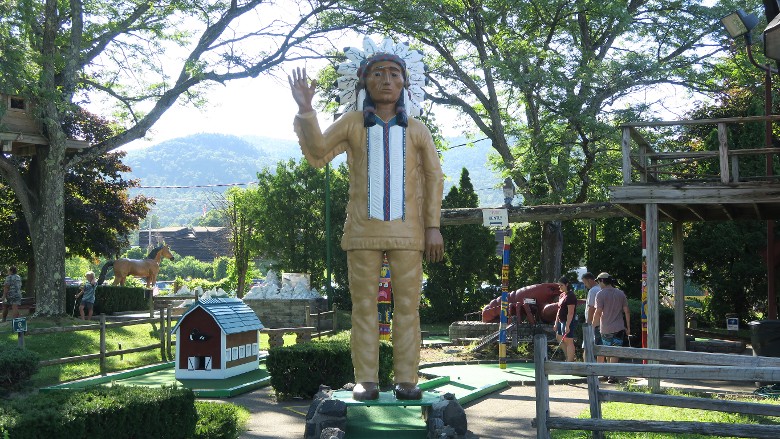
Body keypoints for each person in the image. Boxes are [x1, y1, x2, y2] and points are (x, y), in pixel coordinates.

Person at [289, 53, 444, 400]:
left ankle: (407, 379)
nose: (386, 80)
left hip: (408, 235)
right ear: (364, 81)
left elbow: (435, 178)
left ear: (405, 82)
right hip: (361, 232)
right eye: (378, 74)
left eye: (393, 73)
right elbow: (318, 150)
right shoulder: (352, 123)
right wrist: (305, 109)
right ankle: (366, 380)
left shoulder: (418, 130)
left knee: (408, 309)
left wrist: (432, 226)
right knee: (363, 309)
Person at [592, 272, 631, 383]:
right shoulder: (620, 293)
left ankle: (609, 374)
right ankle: (611, 374)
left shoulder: (600, 294)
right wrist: (628, 327)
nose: (598, 284)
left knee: (608, 350)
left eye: (598, 281)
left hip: (605, 328)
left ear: (602, 281)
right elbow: (627, 311)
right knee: (615, 350)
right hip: (619, 327)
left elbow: (598, 312)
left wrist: (593, 326)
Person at [554, 276, 577, 362]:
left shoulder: (571, 296)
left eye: (561, 285)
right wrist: (556, 323)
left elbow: (571, 312)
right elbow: (559, 310)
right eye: (559, 285)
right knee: (559, 337)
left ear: (567, 285)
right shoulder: (562, 295)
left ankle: (570, 361)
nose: (560, 287)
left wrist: (567, 325)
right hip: (561, 320)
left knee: (568, 340)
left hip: (568, 321)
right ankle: (568, 357)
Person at [582, 272, 602, 355]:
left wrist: (589, 323)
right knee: (600, 345)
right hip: (600, 322)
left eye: (585, 282)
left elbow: (591, 308)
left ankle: (587, 363)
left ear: (589, 280)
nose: (585, 285)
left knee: (588, 346)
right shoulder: (601, 288)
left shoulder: (593, 290)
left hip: (593, 323)